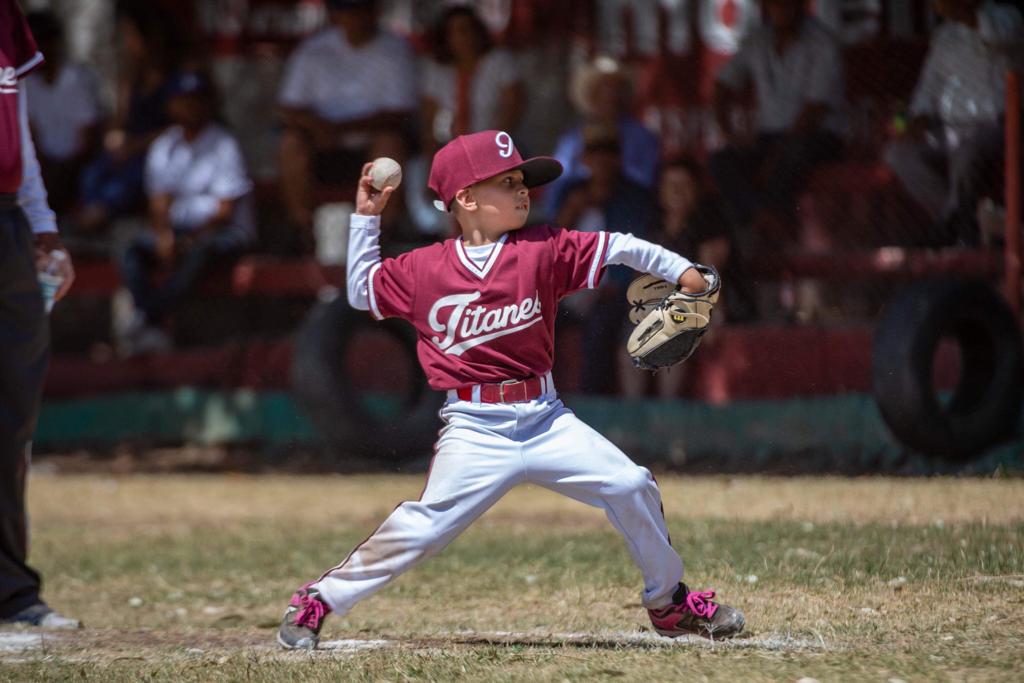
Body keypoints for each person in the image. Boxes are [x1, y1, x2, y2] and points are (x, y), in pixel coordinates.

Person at [275, 129, 745, 649]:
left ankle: (669, 602)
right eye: (507, 182)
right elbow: (363, 292)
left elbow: (621, 246)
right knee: (425, 526)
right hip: (474, 428)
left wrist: (684, 273)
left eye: (523, 181)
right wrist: (366, 218)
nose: (523, 190)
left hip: (546, 418)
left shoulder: (543, 248)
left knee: (631, 485)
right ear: (466, 198)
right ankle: (318, 599)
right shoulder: (425, 268)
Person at [0, 0, 78, 629]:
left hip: (7, 224)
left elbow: (16, 129)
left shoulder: (7, 17)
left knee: (11, 412)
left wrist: (43, 225)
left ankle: (11, 591)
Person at [118, 71, 256, 355]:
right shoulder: (165, 145)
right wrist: (164, 236)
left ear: (208, 103)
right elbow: (159, 202)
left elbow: (225, 211)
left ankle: (150, 318)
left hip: (222, 233)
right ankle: (153, 322)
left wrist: (189, 240)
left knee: (199, 252)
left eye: (196, 100)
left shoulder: (224, 144)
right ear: (170, 105)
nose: (189, 107)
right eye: (182, 100)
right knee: (132, 251)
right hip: (178, 232)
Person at [883, 0, 1023, 246]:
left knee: (965, 147)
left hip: (997, 126)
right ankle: (955, 220)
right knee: (897, 153)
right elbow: (928, 88)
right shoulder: (944, 35)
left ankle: (954, 230)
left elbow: (997, 36)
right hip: (949, 127)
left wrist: (960, 10)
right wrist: (916, 120)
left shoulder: (1007, 17)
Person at [708, 0, 845, 243]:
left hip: (817, 137)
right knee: (722, 160)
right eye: (774, 4)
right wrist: (727, 130)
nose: (780, 9)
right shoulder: (758, 40)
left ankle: (769, 231)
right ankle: (761, 221)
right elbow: (724, 84)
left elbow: (815, 109)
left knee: (792, 156)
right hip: (770, 138)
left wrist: (778, 153)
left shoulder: (823, 42)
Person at [277, 0, 417, 236]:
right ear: (336, 15)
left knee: (390, 143)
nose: (354, 19)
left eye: (359, 11)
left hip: (370, 144)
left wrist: (341, 129)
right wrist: (320, 129)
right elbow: (289, 107)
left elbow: (399, 112)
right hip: (320, 144)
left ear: (373, 13)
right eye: (347, 12)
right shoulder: (313, 49)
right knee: (290, 143)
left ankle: (387, 231)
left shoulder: (395, 49)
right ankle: (301, 231)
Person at [620, 157, 757, 399]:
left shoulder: (709, 224)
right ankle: (634, 409)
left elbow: (710, 279)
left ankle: (668, 409)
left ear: (696, 191)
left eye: (684, 185)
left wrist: (713, 317)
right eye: (670, 185)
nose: (676, 192)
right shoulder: (654, 225)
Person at [553, 124, 659, 394]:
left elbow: (640, 253)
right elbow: (549, 246)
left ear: (619, 157)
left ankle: (592, 406)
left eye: (609, 151)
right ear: (584, 157)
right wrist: (573, 209)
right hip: (570, 291)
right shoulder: (570, 193)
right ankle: (535, 401)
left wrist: (617, 287)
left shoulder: (636, 198)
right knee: (536, 321)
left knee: (600, 327)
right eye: (595, 151)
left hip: (615, 292)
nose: (602, 159)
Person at [75, 2, 181, 235]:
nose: (126, 43)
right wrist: (115, 138)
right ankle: (89, 217)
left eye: (130, 35)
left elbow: (177, 128)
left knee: (129, 180)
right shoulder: (132, 78)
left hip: (157, 153)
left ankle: (98, 217)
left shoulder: (174, 79)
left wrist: (136, 146)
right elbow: (120, 119)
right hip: (129, 150)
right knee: (93, 173)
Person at [543, 55, 661, 219]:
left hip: (627, 209)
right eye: (604, 89)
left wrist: (607, 185)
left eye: (616, 89)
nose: (610, 95)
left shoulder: (643, 137)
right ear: (592, 94)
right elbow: (558, 181)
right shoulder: (572, 138)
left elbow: (647, 182)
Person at [24, 10, 102, 215]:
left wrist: (62, 172)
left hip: (80, 168)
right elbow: (32, 136)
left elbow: (87, 141)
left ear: (53, 43)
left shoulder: (78, 79)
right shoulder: (29, 84)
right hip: (46, 168)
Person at [421, 5, 524, 153]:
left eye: (467, 29)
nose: (464, 36)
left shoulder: (499, 61)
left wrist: (490, 148)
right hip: (450, 150)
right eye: (455, 31)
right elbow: (430, 123)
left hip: (497, 148)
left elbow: (513, 109)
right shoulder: (436, 69)